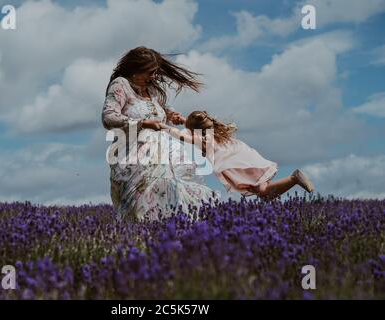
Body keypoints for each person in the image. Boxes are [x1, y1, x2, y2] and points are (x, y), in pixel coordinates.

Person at [102, 47, 220, 221]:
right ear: (135, 70)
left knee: (174, 192)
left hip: (166, 151)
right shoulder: (121, 85)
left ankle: (176, 232)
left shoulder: (153, 90)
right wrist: (142, 124)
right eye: (149, 72)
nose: (153, 77)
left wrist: (174, 116)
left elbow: (163, 112)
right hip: (135, 154)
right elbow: (108, 117)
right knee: (143, 199)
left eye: (155, 72)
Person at [160, 111, 315, 200]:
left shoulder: (202, 140)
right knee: (264, 194)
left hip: (235, 165)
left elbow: (180, 136)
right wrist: (183, 120)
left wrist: (161, 126)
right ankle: (293, 180)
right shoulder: (214, 131)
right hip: (243, 158)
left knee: (263, 193)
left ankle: (295, 178)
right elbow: (198, 125)